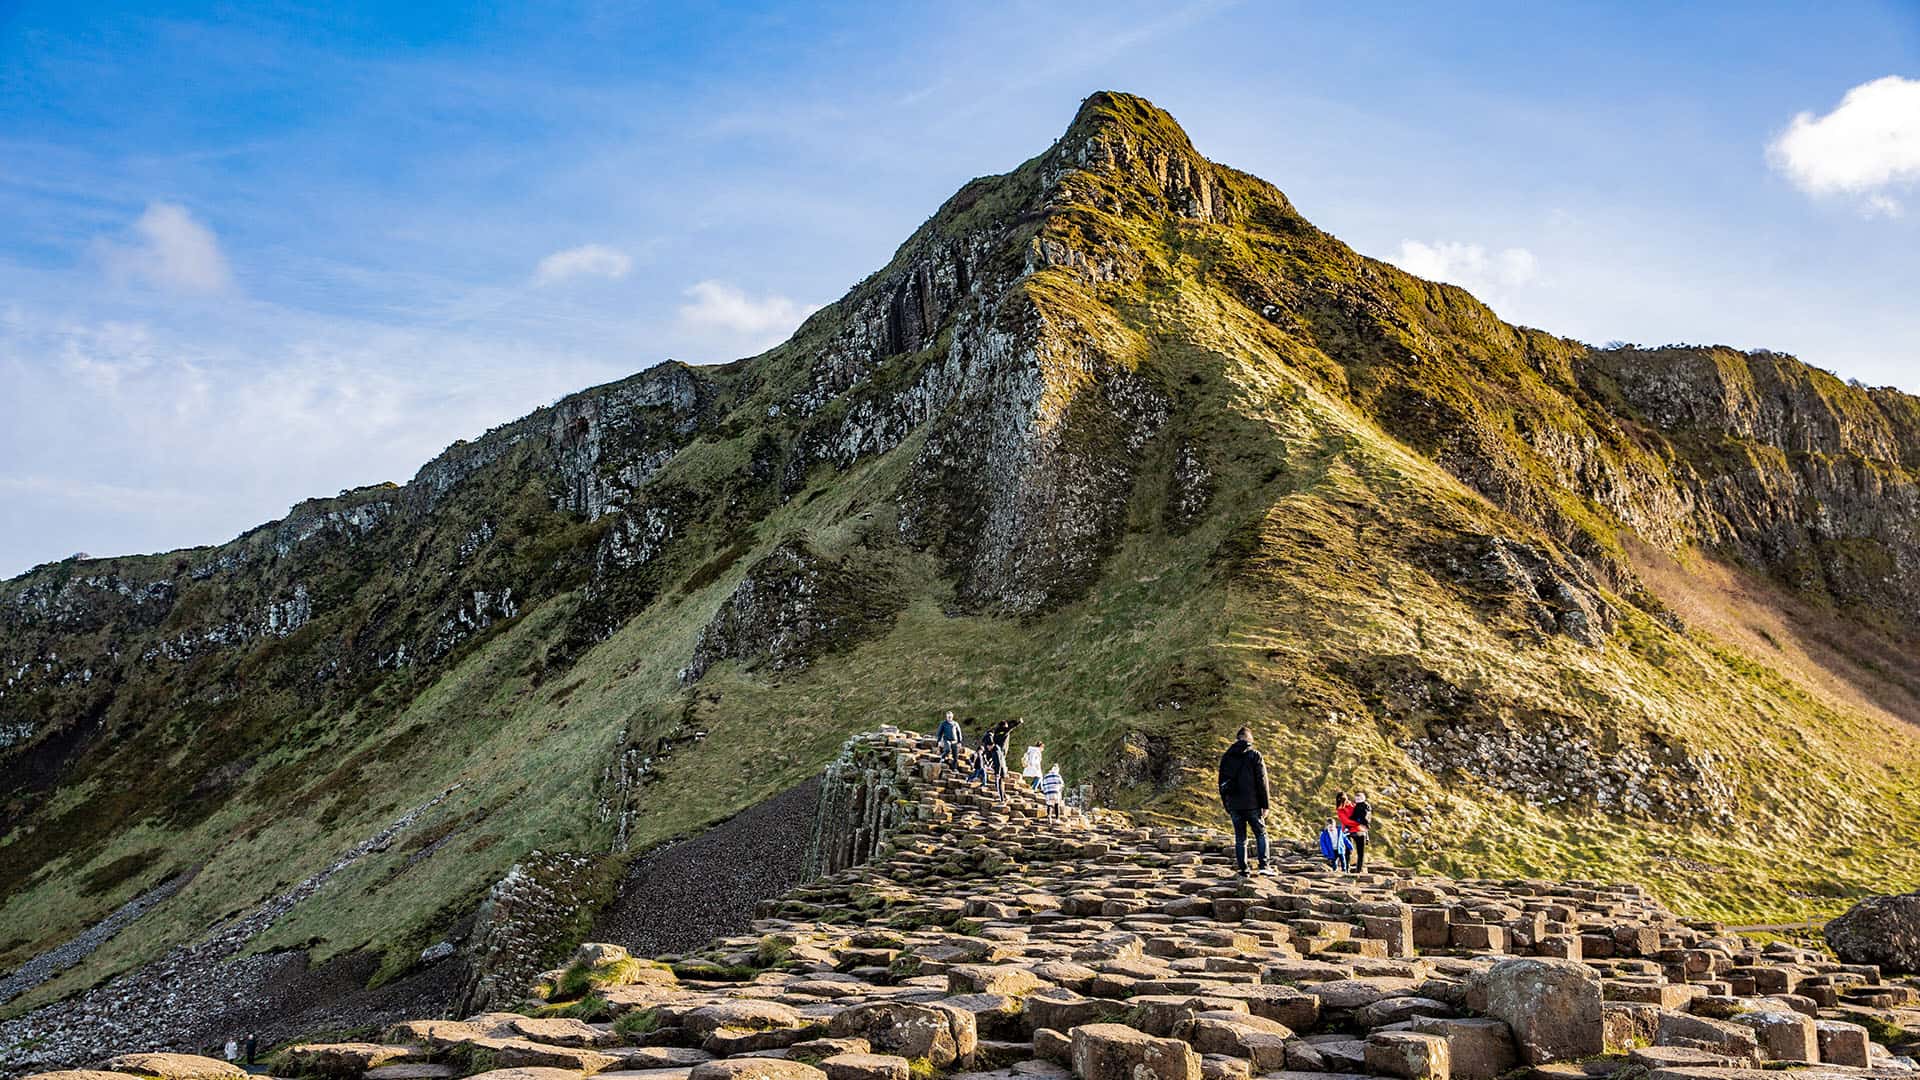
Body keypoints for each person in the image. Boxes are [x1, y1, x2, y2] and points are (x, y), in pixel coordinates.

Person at [1217, 726, 1271, 875]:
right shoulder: (1254, 755)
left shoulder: (1227, 757)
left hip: (1234, 805)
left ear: (1237, 738)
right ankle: (1264, 866)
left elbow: (1221, 783)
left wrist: (1227, 805)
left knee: (1240, 838)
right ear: (1249, 738)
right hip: (1252, 804)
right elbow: (1262, 782)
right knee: (1261, 834)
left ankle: (1243, 869)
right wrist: (1265, 805)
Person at [1334, 793, 1360, 872]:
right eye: (1340, 800)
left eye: (1343, 799)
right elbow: (1345, 820)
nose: (1342, 801)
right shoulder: (1340, 808)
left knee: (1359, 849)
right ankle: (1346, 868)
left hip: (1356, 829)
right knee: (1347, 850)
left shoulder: (1354, 805)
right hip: (1347, 830)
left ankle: (1357, 868)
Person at [1349, 790, 1371, 872]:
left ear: (1363, 798)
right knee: (1360, 852)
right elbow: (1355, 816)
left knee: (1360, 851)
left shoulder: (1364, 806)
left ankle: (1358, 869)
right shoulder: (1359, 806)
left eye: (1359, 798)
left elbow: (1364, 817)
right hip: (1359, 829)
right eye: (1356, 799)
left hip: (1359, 829)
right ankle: (1358, 869)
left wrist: (1356, 822)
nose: (1357, 800)